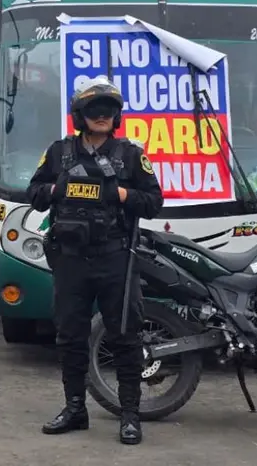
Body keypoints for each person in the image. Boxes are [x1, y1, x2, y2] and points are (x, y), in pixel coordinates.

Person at [27, 79, 163, 445]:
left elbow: (153, 202)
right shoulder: (59, 152)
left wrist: (120, 193)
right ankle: (75, 408)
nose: (101, 116)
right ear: (80, 115)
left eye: (108, 110)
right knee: (70, 336)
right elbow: (35, 194)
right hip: (71, 261)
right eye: (94, 110)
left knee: (124, 335)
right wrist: (58, 188)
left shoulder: (131, 155)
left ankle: (129, 414)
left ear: (117, 116)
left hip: (115, 258)